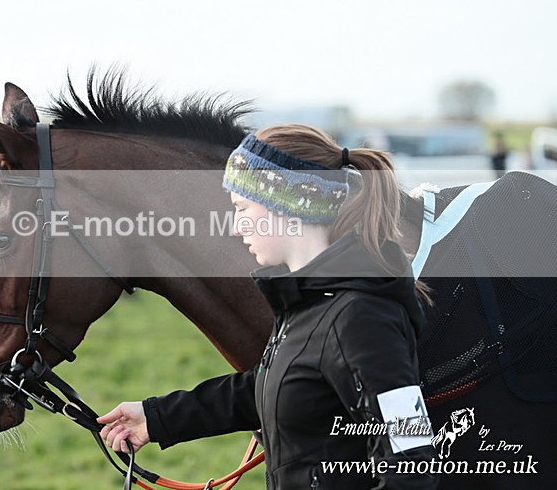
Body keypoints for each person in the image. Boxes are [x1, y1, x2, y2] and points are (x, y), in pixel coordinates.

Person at [98, 125, 438, 489]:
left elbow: (412, 458)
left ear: (288, 206)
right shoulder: (307, 304)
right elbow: (274, 386)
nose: (235, 226)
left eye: (242, 208)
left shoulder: (360, 318)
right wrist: (156, 417)